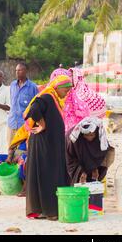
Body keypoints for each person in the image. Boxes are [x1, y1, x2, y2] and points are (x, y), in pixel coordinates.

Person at [25, 75, 72, 220]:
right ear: (58, 87)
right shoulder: (47, 96)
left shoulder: (54, 99)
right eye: (66, 89)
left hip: (50, 144)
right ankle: (49, 211)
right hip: (43, 144)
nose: (67, 92)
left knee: (49, 173)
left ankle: (45, 209)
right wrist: (43, 124)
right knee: (47, 174)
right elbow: (33, 110)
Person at [66, 117, 115, 185]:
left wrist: (95, 168)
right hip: (76, 160)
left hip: (91, 163)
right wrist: (82, 171)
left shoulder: (100, 139)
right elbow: (71, 158)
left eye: (91, 135)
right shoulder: (74, 139)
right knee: (77, 177)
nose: (89, 138)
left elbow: (103, 155)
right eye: (86, 135)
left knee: (94, 179)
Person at [8, 63, 38, 145]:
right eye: (16, 70)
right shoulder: (12, 85)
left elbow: (36, 106)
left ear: (26, 71)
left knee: (22, 152)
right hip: (12, 123)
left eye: (20, 70)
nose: (17, 72)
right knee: (10, 149)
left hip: (24, 125)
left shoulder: (32, 87)